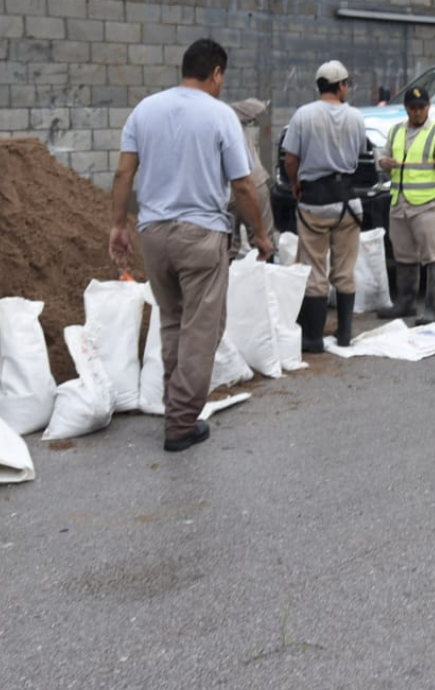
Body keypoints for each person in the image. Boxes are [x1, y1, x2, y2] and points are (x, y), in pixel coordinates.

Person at [110, 39, 273, 452]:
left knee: (172, 322)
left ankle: (174, 406)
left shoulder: (144, 110)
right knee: (201, 329)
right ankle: (181, 423)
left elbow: (123, 175)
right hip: (200, 235)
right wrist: (260, 233)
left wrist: (117, 226)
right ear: (216, 73)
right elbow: (242, 185)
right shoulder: (220, 115)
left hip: (153, 234)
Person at [283, 60, 367, 352]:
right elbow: (359, 153)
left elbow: (290, 159)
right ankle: (344, 334)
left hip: (314, 202)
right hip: (347, 200)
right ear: (341, 85)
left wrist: (295, 184)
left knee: (314, 270)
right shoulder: (356, 117)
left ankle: (313, 338)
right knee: (345, 270)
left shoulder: (303, 115)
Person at [376, 85, 435, 324]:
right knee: (404, 255)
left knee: (433, 257)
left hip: (427, 205)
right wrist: (384, 162)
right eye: (413, 108)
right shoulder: (395, 131)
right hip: (400, 203)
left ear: (428, 107)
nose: (417, 112)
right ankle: (406, 302)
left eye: (421, 107)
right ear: (406, 109)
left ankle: (431, 309)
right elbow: (381, 157)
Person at [226, 97, 277, 259]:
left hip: (228, 188)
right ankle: (263, 278)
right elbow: (255, 107)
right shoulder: (226, 113)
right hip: (250, 184)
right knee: (262, 240)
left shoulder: (216, 118)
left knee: (229, 244)